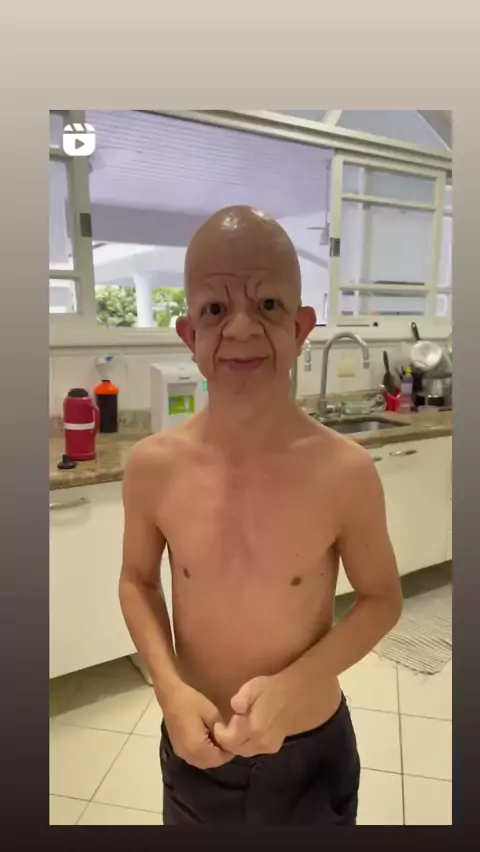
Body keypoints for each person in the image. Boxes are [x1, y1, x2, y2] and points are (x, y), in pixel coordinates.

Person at [119, 206, 402, 825]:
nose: (242, 328)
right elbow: (137, 581)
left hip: (310, 753)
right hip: (195, 747)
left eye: (268, 305)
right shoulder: (153, 466)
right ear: (189, 335)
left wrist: (297, 683)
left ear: (301, 328)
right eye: (215, 309)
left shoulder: (345, 470)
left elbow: (383, 599)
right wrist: (168, 688)